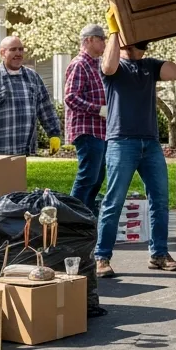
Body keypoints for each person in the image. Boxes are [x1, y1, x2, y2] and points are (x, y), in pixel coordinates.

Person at [93, 11, 176, 278]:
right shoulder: (114, 67)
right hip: (121, 142)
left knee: (160, 199)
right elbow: (108, 66)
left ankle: (159, 254)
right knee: (114, 201)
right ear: (124, 42)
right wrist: (114, 30)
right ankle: (102, 257)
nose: (142, 43)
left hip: (150, 143)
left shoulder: (150, 66)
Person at [0, 35, 61, 157]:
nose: (18, 53)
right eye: (13, 50)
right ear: (2, 53)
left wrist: (54, 134)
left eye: (20, 49)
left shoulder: (33, 78)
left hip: (27, 153)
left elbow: (46, 108)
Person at [64, 23, 108, 214]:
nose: (105, 43)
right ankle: (72, 219)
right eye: (101, 39)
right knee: (87, 177)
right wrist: (98, 110)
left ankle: (86, 218)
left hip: (100, 130)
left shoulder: (97, 65)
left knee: (97, 178)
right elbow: (71, 97)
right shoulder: (79, 64)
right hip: (87, 129)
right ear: (89, 40)